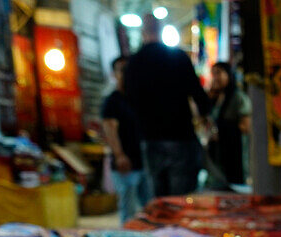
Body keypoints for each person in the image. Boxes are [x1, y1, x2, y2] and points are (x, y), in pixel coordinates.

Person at [123, 14, 211, 197]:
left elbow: (129, 100)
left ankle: (163, 226)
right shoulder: (177, 57)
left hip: (149, 138)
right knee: (181, 198)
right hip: (180, 137)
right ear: (162, 29)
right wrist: (205, 115)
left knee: (159, 199)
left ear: (142, 32)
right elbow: (197, 94)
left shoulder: (134, 62)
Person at [101, 56, 150, 222]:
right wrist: (119, 154)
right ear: (114, 74)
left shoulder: (138, 99)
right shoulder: (113, 101)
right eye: (121, 70)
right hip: (126, 163)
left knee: (149, 207)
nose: (126, 74)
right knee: (128, 210)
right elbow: (110, 129)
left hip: (143, 161)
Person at [207, 62, 251, 187]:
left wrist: (222, 131)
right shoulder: (217, 97)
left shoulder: (238, 98)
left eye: (219, 73)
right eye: (213, 73)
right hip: (219, 153)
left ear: (228, 75)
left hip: (234, 153)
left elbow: (245, 127)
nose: (216, 77)